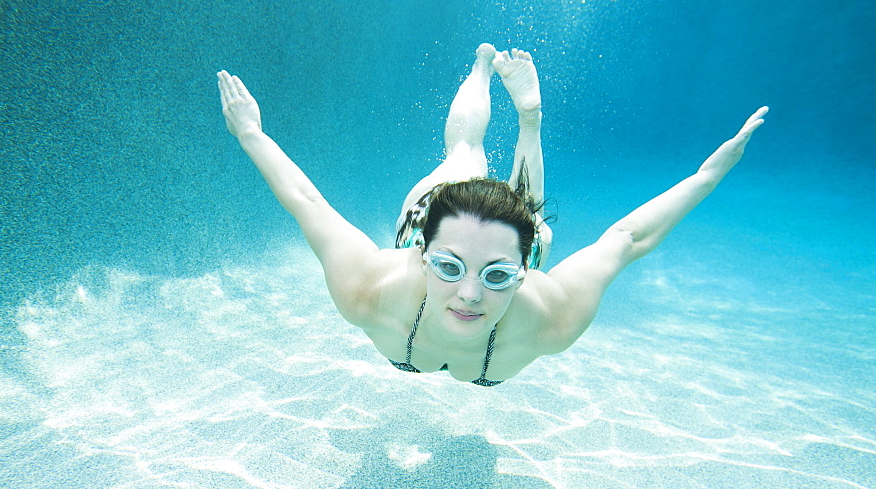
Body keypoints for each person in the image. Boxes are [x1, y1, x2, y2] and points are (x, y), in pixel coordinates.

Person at [217, 44, 767, 386]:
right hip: (442, 217)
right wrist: (251, 135)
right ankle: (482, 69)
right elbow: (308, 203)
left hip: (498, 242)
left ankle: (530, 122)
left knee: (530, 220)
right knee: (463, 153)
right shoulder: (370, 286)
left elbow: (627, 238)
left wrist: (708, 177)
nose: (472, 295)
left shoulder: (549, 316)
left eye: (498, 276)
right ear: (423, 254)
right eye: (450, 269)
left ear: (522, 272)